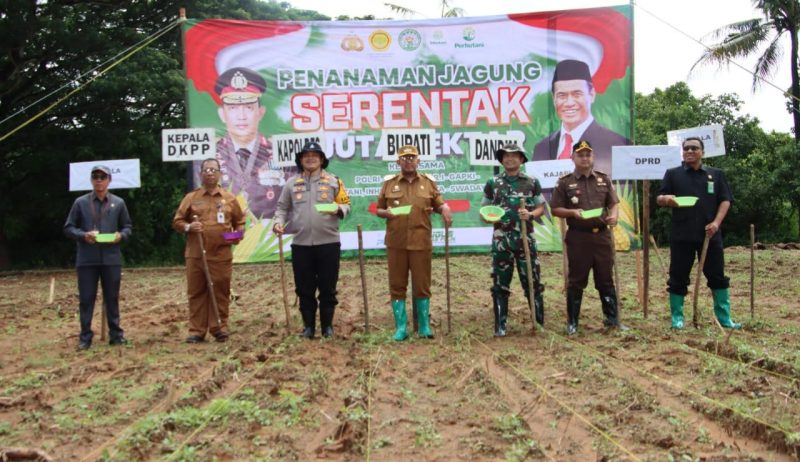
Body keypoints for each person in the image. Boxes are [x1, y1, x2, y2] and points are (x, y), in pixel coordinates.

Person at [656, 137, 740, 330]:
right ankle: (677, 318)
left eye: (694, 148)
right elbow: (660, 197)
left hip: (710, 235)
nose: (689, 151)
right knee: (678, 276)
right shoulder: (673, 174)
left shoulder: (716, 175)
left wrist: (716, 223)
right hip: (681, 235)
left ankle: (724, 318)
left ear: (702, 152)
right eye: (686, 149)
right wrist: (666, 199)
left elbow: (725, 200)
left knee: (717, 276)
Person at [273, 141, 351, 339]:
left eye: (314, 155)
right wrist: (277, 223)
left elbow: (346, 205)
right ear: (300, 160)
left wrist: (339, 209)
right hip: (301, 245)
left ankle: (327, 327)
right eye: (306, 155)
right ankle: (308, 328)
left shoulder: (334, 181)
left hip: (328, 243)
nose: (310, 158)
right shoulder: (291, 184)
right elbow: (282, 208)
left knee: (328, 287)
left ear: (322, 160)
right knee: (304, 287)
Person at [376, 145, 453, 341]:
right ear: (398, 162)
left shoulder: (428, 183)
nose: (408, 161)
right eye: (405, 158)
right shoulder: (388, 184)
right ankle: (401, 327)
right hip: (396, 243)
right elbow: (379, 209)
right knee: (397, 284)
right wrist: (385, 213)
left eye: (412, 158)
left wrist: (444, 208)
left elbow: (438, 203)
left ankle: (424, 326)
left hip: (421, 242)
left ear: (418, 161)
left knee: (422, 284)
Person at [551, 140, 628, 334]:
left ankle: (612, 321)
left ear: (592, 157)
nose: (585, 158)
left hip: (602, 237)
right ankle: (572, 323)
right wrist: (572, 213)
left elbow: (614, 203)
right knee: (577, 280)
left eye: (588, 155)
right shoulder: (565, 182)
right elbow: (555, 209)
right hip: (578, 238)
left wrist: (614, 216)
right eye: (580, 155)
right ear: (573, 158)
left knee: (605, 279)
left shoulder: (603, 179)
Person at [174, 158, 245, 343]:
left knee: (220, 289)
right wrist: (189, 227)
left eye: (214, 170)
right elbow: (178, 221)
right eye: (206, 170)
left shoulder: (229, 198)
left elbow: (239, 221)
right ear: (201, 174)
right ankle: (197, 330)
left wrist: (237, 234)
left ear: (220, 173)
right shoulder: (191, 198)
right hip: (196, 253)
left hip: (220, 254)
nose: (210, 173)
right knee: (196, 291)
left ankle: (219, 327)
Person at [205, 67, 289, 219]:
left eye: (249, 107)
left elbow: (294, 202)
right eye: (233, 108)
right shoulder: (208, 156)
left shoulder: (280, 151)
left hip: (271, 238)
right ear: (222, 114)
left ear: (261, 112)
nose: (241, 116)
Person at [64, 165, 132, 351]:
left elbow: (127, 227)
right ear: (91, 180)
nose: (99, 180)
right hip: (87, 258)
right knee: (86, 298)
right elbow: (69, 227)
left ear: (109, 179)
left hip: (111, 258)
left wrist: (121, 236)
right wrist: (83, 235)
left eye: (102, 176)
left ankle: (116, 335)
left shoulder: (118, 203)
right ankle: (85, 337)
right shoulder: (80, 202)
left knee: (112, 298)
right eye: (95, 176)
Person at [482, 143, 546, 336]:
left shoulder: (531, 182)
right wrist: (488, 216)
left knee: (532, 281)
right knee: (500, 284)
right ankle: (500, 326)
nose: (510, 159)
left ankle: (539, 323)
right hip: (501, 242)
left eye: (514, 156)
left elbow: (541, 207)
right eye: (506, 156)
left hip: (525, 240)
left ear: (521, 159)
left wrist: (531, 214)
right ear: (501, 159)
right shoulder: (492, 183)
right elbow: (484, 210)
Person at [532, 59, 630, 175]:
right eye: (562, 95)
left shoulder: (617, 145)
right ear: (554, 99)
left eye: (577, 94)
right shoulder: (541, 148)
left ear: (592, 95)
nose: (569, 103)